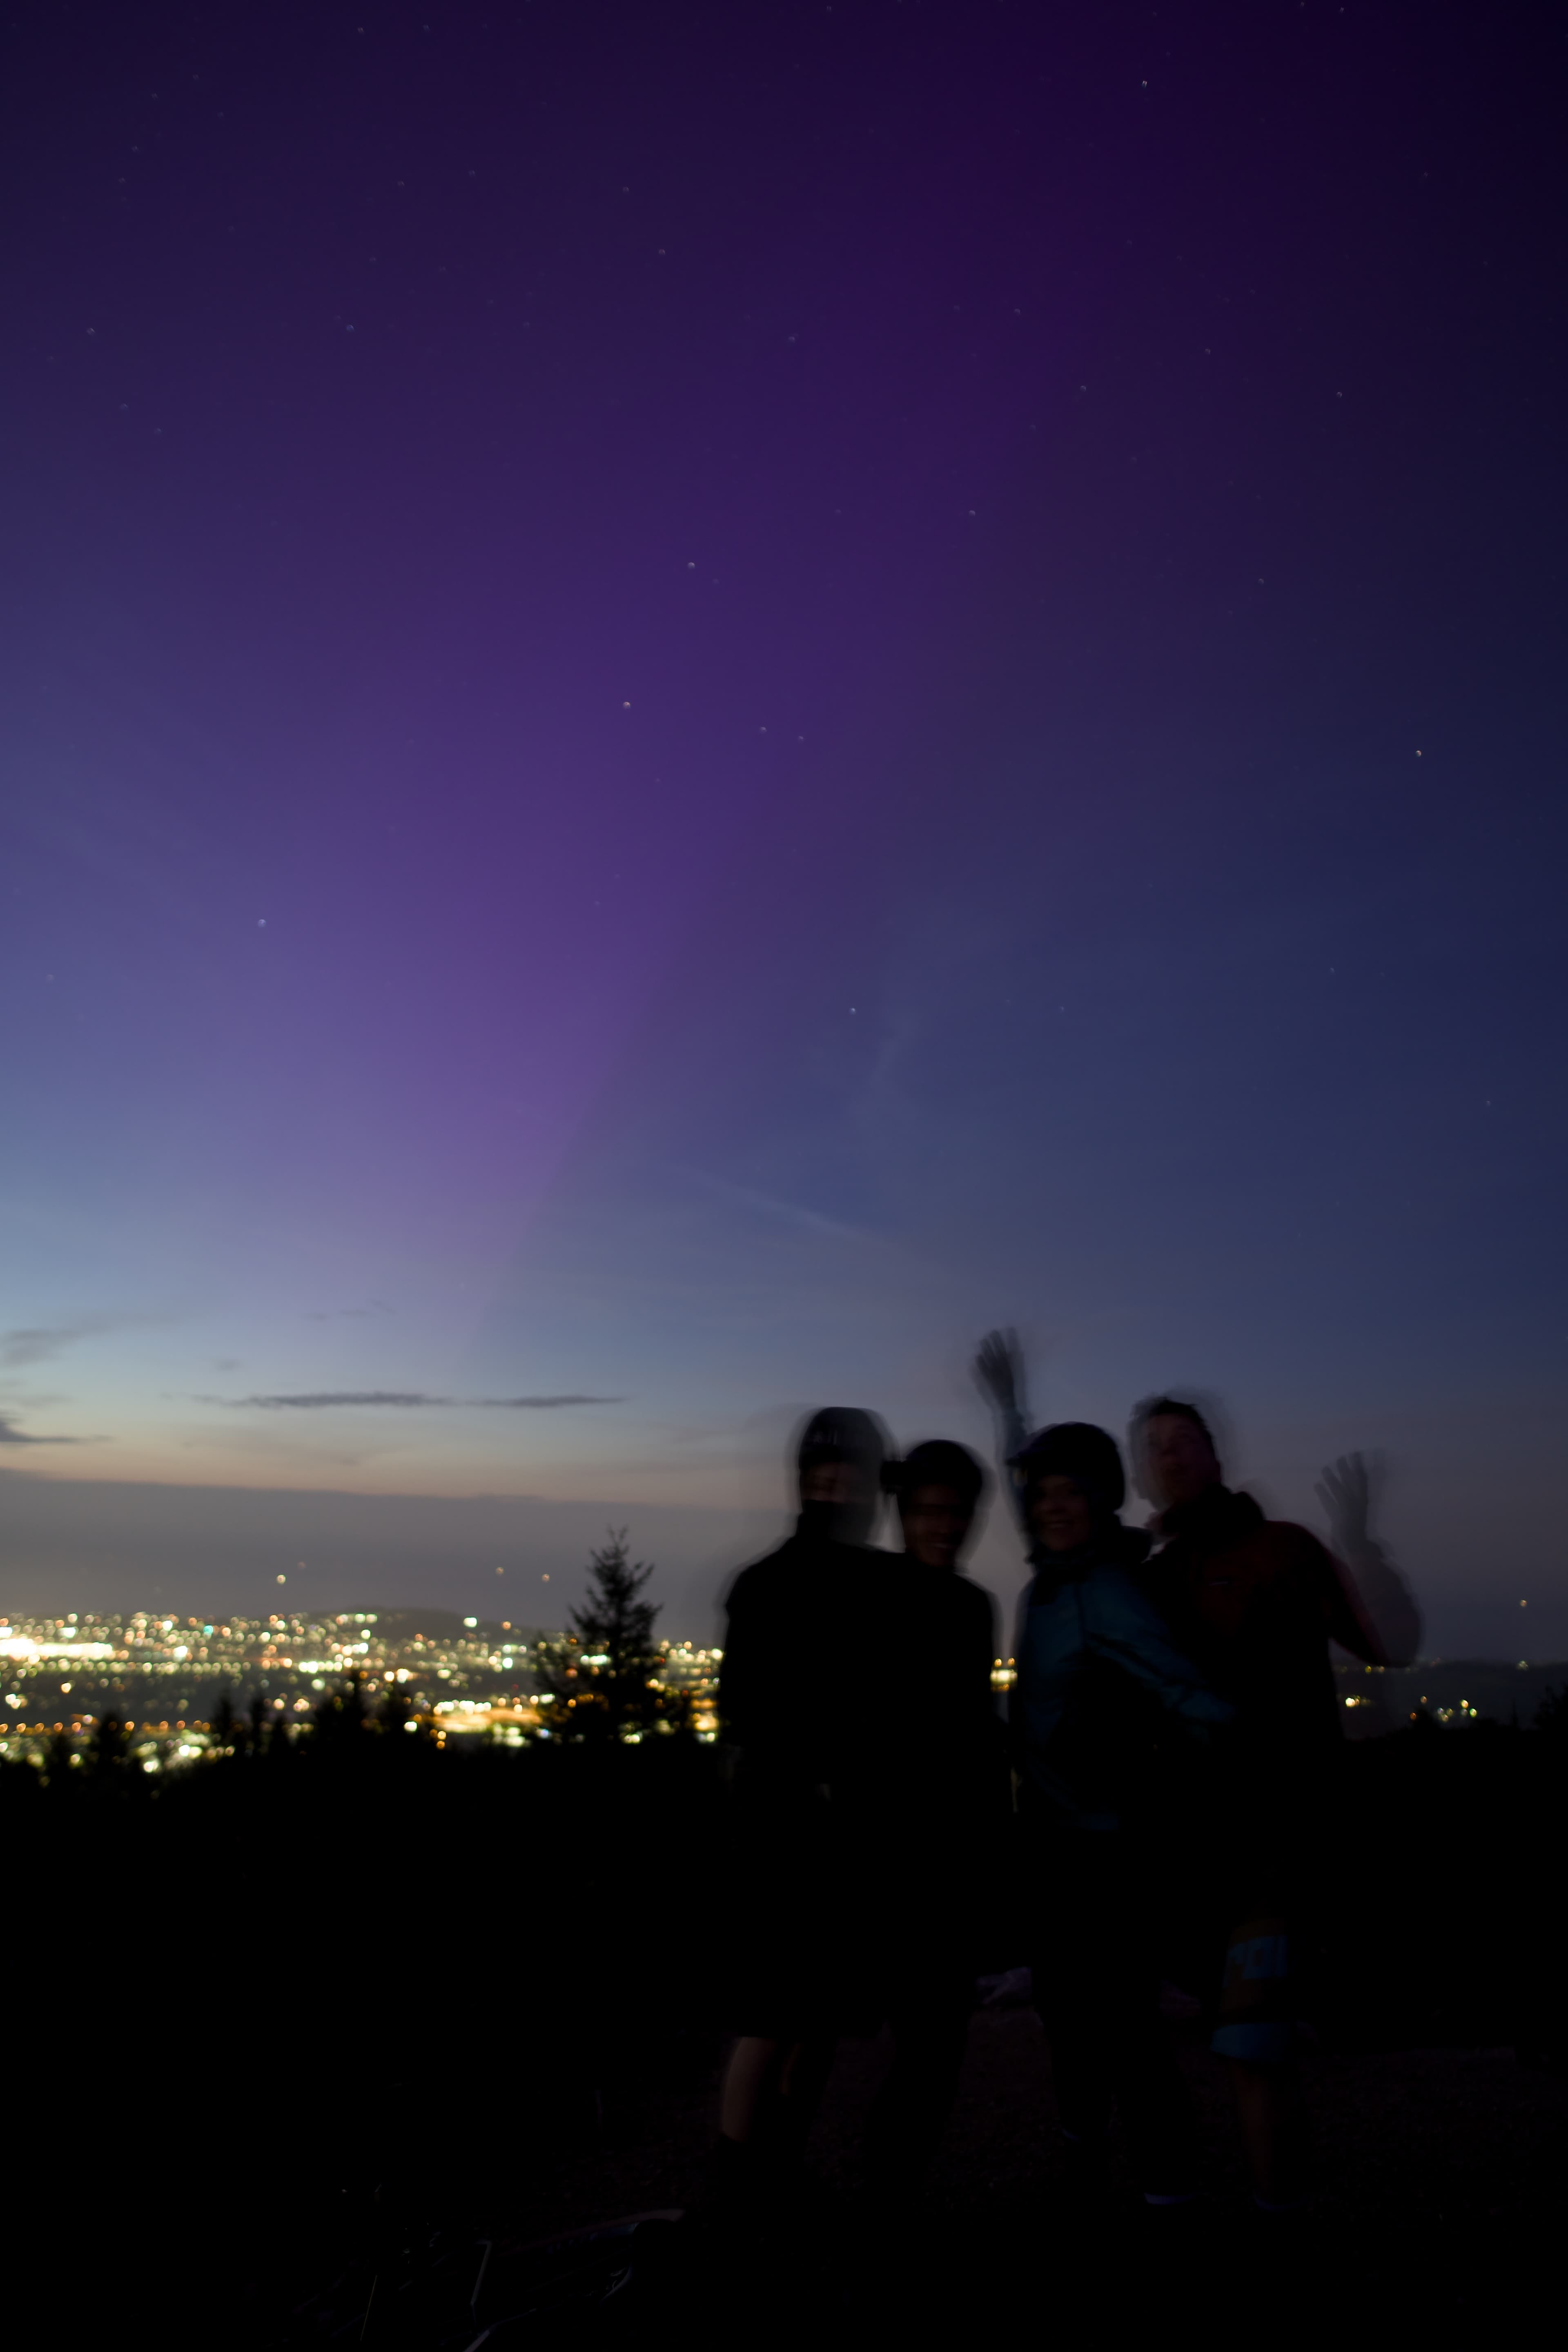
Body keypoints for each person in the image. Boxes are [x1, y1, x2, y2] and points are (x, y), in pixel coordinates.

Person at [1129, 1396, 1421, 2213]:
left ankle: (1282, 2235)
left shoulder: (1282, 1551)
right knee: (1227, 2045)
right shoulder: (1149, 1581)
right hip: (1190, 1854)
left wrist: (1362, 1546)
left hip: (1273, 1846)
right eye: (1156, 1448)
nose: (1172, 1456)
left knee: (1253, 2050)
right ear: (1144, 1472)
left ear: (1216, 1456)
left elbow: (1390, 1642)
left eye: (1185, 1442)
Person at [973, 1333, 1233, 2212]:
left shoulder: (1108, 1589)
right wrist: (1011, 1411)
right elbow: (1024, 1493)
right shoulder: (1053, 1576)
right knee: (1066, 2015)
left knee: (1124, 2027)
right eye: (1043, 1494)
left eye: (1069, 1493)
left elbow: (1188, 1696)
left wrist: (1247, 1769)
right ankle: (1084, 2154)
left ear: (1099, 1500)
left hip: (1109, 1852)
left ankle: (1167, 2189)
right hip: (1051, 1842)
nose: (1050, 1507)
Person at [710, 1405, 892, 2230]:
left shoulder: (867, 1583)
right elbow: (744, 1715)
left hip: (841, 1846)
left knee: (810, 2025)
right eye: (824, 1471)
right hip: (785, 1839)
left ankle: (774, 2172)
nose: (835, 1485)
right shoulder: (769, 1585)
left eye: (848, 1472)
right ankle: (735, 2189)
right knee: (771, 2021)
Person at [851, 1438, 1006, 2211]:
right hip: (889, 1862)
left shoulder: (974, 1606)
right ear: (904, 1514)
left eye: (957, 1513)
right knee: (920, 2052)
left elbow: (974, 1731)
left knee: (935, 2052)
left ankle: (883, 2202)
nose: (946, 1527)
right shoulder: (875, 1596)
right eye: (930, 1512)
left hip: (947, 1865)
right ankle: (873, 2209)